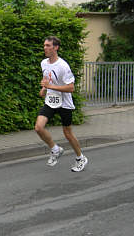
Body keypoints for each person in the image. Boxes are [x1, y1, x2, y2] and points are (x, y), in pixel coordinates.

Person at [35, 36, 88, 172]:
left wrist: (50, 87)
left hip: (64, 103)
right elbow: (48, 79)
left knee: (67, 133)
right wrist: (44, 88)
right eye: (44, 45)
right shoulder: (43, 63)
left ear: (56, 47)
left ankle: (80, 158)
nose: (45, 48)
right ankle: (55, 149)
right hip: (51, 101)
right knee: (38, 128)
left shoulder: (63, 66)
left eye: (48, 46)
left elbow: (71, 88)